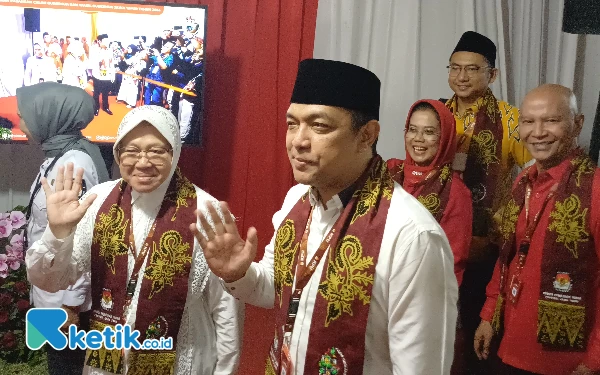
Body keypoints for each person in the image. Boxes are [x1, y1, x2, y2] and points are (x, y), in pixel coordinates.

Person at [193, 59, 458, 374]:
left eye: (319, 126)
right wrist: (237, 274)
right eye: (292, 124)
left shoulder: (412, 235)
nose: (298, 142)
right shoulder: (298, 200)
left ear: (367, 135)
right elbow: (273, 289)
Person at [26, 106, 242, 375]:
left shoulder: (208, 214)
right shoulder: (98, 201)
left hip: (182, 360)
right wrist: (58, 232)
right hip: (106, 362)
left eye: (156, 151)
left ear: (175, 152)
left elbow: (226, 310)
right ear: (117, 153)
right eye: (131, 150)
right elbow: (49, 280)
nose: (143, 162)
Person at [474, 84, 600, 375]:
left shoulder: (593, 190)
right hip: (509, 347)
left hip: (567, 364)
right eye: (529, 121)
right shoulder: (522, 185)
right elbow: (508, 256)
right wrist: (488, 314)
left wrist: (594, 361)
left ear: (577, 123)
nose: (538, 132)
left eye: (551, 120)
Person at [445, 30, 533, 373]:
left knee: (478, 326)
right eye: (455, 68)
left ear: (492, 74)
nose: (461, 76)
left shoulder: (511, 120)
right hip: (440, 241)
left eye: (472, 69)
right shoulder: (437, 115)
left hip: (485, 245)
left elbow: (534, 171)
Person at [17, 82, 110, 375]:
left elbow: (85, 237)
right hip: (50, 286)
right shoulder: (57, 156)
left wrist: (71, 304)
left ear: (50, 117)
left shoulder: (75, 163)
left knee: (66, 367)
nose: (21, 123)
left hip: (65, 300)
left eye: (25, 116)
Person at [387, 99, 471, 286]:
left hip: (421, 291)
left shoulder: (455, 191)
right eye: (412, 129)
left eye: (429, 132)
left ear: (444, 138)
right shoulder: (389, 172)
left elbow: (453, 262)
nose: (418, 138)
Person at [91, 34, 115, 116]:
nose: (107, 42)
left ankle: (106, 107)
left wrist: (112, 75)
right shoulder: (95, 50)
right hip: (97, 75)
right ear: (99, 41)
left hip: (107, 76)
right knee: (96, 93)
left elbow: (112, 63)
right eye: (105, 41)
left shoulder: (110, 51)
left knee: (105, 93)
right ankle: (96, 108)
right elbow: (93, 62)